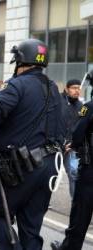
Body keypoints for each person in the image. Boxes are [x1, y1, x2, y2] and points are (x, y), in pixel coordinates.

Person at [0, 38, 64, 250]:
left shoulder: (16, 85)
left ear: (20, 62)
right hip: (48, 168)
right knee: (31, 228)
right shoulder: (53, 88)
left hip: (20, 169)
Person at [50, 77, 93, 250]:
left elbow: (78, 132)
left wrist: (74, 144)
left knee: (80, 214)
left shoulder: (87, 107)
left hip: (90, 171)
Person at [60, 79, 82, 198]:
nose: (77, 91)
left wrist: (74, 143)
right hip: (54, 146)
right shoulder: (57, 101)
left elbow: (83, 126)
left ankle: (76, 203)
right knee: (46, 174)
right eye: (74, 88)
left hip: (71, 147)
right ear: (66, 89)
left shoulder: (81, 107)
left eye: (78, 88)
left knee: (74, 173)